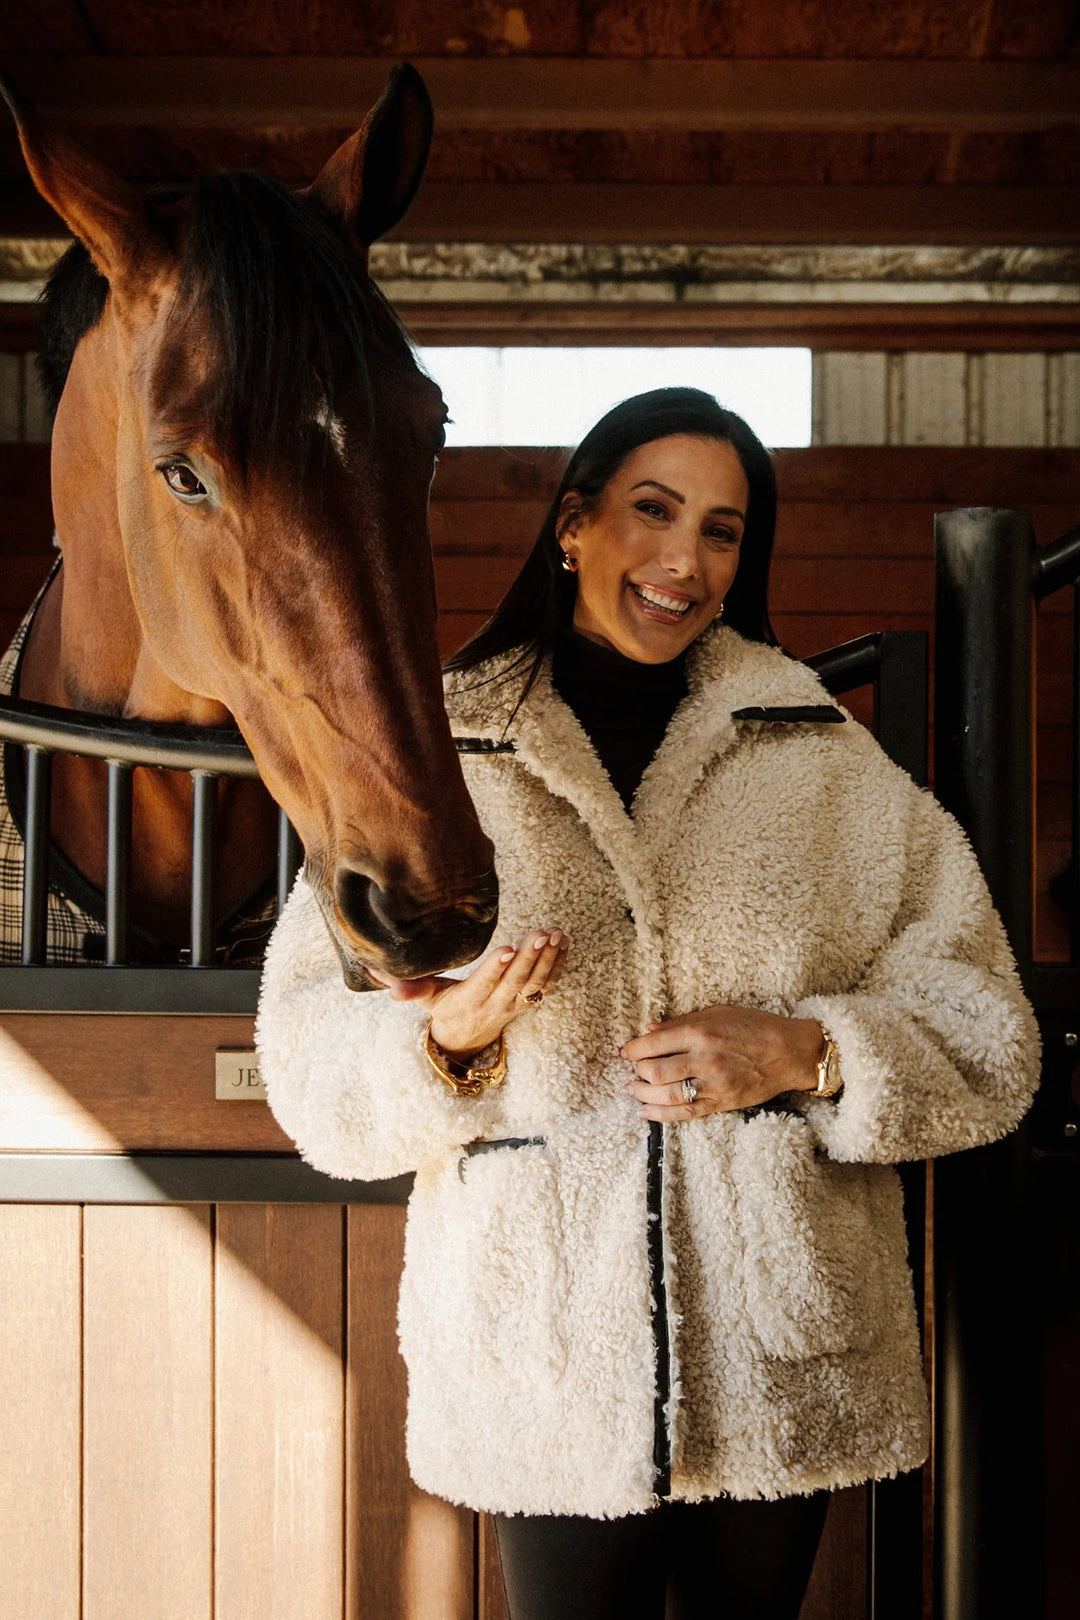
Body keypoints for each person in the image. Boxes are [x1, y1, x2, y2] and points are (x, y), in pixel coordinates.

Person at [255, 388, 1041, 1619]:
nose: (685, 560)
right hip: (543, 1354)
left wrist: (811, 1052)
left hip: (782, 1343)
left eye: (723, 531)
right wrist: (443, 1045)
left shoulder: (820, 757)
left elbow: (990, 1030)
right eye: (653, 511)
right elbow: (305, 1057)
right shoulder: (440, 753)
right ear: (574, 523)